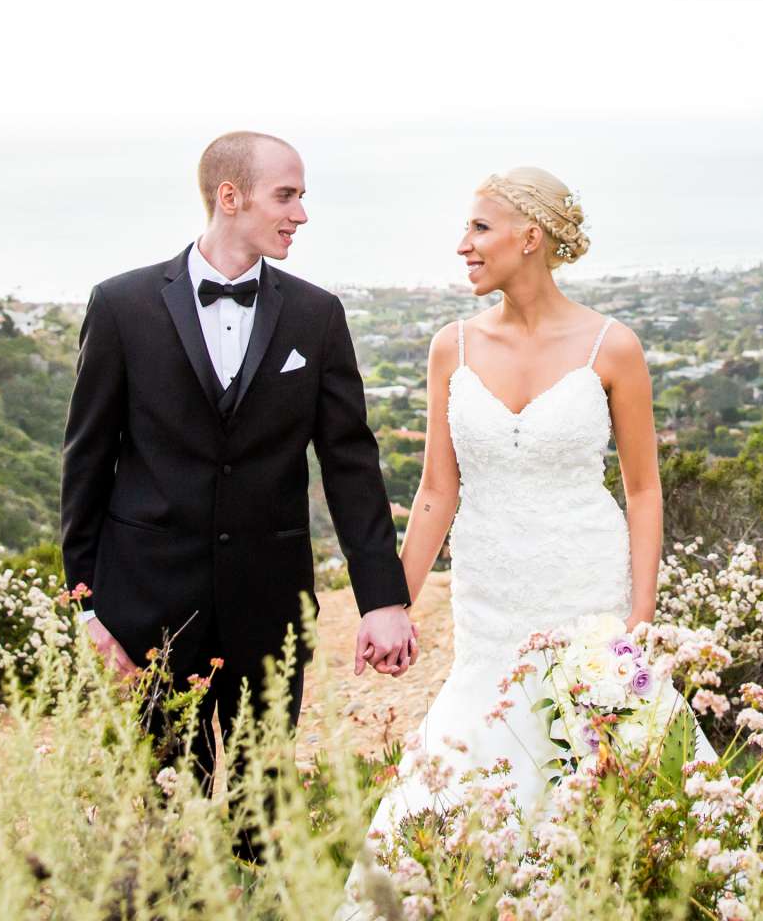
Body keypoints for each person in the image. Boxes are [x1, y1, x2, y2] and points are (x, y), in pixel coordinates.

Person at [362, 166, 710, 839]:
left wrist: (641, 612)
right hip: (488, 599)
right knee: (472, 762)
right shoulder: (451, 347)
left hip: (587, 592)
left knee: (610, 777)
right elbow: (437, 491)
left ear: (531, 238)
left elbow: (642, 489)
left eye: (479, 227)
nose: (463, 243)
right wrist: (392, 604)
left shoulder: (613, 346)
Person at [60, 130, 416, 783]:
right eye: (286, 196)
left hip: (270, 608)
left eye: (301, 197)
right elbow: (85, 464)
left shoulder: (317, 315)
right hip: (147, 610)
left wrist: (382, 598)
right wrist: (84, 609)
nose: (301, 214)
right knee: (161, 815)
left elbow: (350, 465)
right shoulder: (120, 306)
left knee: (265, 816)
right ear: (231, 196)